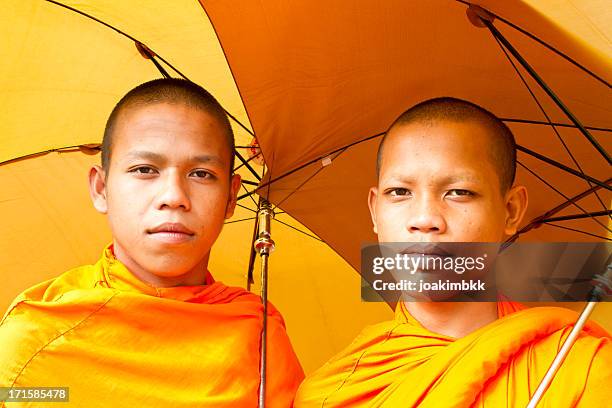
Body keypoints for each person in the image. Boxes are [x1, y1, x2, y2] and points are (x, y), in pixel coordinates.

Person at [0, 78, 304, 407]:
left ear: (231, 197)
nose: (174, 197)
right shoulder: (37, 339)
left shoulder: (258, 340)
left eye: (201, 173)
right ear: (101, 189)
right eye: (145, 169)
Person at [294, 97, 610, 407]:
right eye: (400, 192)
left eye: (459, 192)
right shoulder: (330, 393)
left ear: (511, 210)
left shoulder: (580, 368)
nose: (425, 220)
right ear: (375, 212)